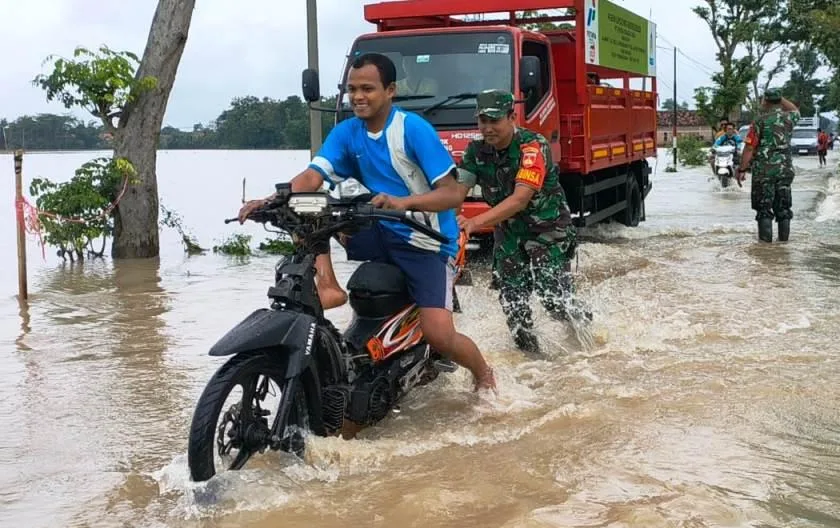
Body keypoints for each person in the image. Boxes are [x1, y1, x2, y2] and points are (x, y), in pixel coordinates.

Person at [237, 52, 496, 392]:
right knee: (308, 214)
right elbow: (313, 176)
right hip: (378, 228)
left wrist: (404, 203)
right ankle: (328, 286)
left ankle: (484, 374)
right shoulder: (347, 133)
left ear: (390, 90)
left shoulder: (412, 129)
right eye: (351, 89)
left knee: (440, 334)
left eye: (368, 89)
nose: (358, 96)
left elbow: (452, 195)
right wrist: (272, 201)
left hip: (425, 239)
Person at [453, 89, 593, 354]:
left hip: (548, 231)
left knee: (554, 300)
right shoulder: (476, 150)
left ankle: (586, 337)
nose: (488, 128)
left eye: (494, 120)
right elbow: (457, 193)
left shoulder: (533, 146)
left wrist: (473, 223)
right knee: (513, 302)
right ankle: (533, 363)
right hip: (508, 233)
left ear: (511, 117)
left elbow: (519, 199)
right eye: (483, 121)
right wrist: (446, 221)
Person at [735, 88, 801, 243]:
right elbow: (794, 109)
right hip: (785, 169)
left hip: (764, 171)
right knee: (783, 208)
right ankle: (783, 246)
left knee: (764, 209)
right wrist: (779, 98)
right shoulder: (790, 118)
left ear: (765, 101)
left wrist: (742, 169)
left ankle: (766, 249)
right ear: (779, 100)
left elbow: (750, 148)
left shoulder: (759, 121)